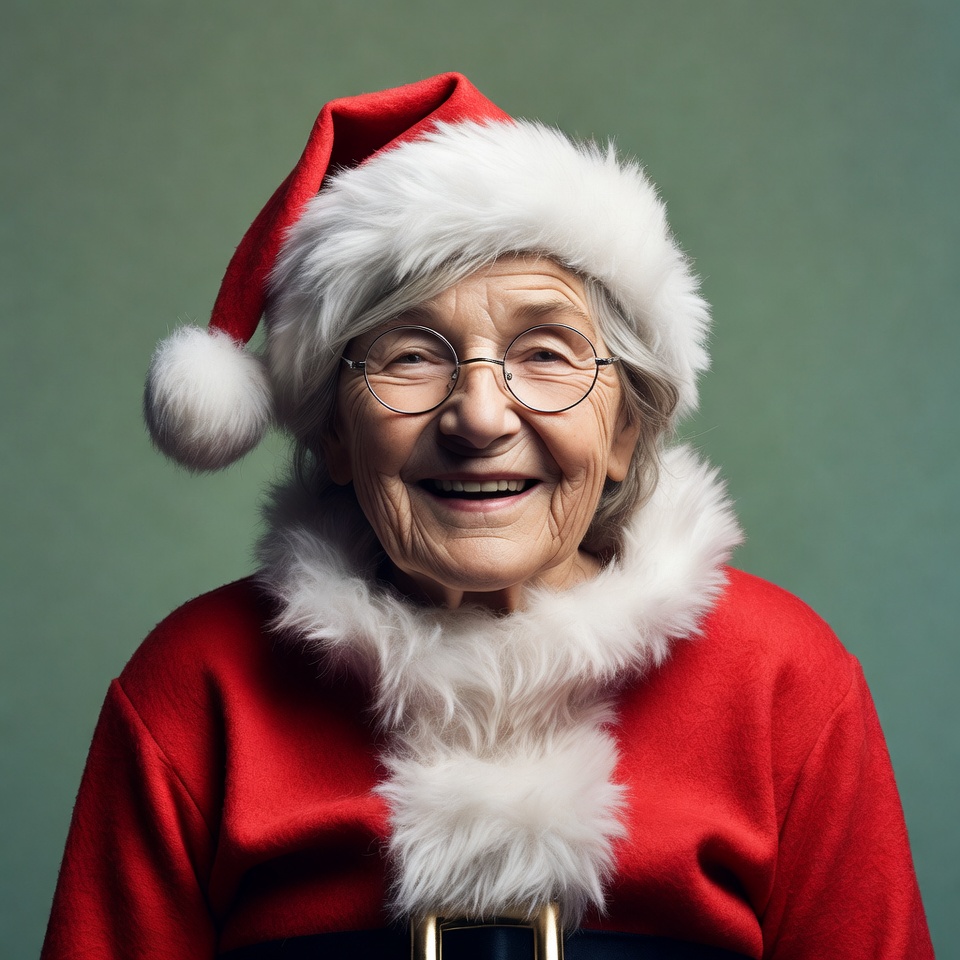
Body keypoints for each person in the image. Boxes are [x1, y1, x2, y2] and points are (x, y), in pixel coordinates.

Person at [41, 73, 933, 960]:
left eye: (545, 353)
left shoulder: (786, 684)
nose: (478, 417)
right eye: (411, 356)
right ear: (338, 438)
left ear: (625, 428)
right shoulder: (196, 689)